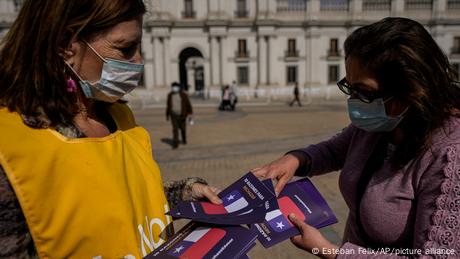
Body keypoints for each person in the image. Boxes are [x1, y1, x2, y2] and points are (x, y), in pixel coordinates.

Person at [0, 1, 221, 258]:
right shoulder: (10, 147)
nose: (138, 60)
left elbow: (124, 198)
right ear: (65, 46)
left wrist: (186, 192)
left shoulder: (119, 116)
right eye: (125, 48)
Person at [253, 17, 460, 258]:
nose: (353, 101)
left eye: (364, 92)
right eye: (349, 87)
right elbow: (334, 151)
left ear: (411, 91)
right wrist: (296, 160)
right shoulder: (377, 124)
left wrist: (331, 251)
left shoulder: (449, 155)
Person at [166, 82, 193, 149]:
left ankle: (184, 139)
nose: (174, 88)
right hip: (173, 115)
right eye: (173, 87)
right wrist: (167, 114)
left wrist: (190, 113)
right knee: (175, 129)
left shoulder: (183, 95)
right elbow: (168, 106)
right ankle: (175, 144)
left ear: (178, 87)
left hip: (182, 115)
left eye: (175, 86)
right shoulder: (170, 95)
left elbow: (188, 104)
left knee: (183, 129)